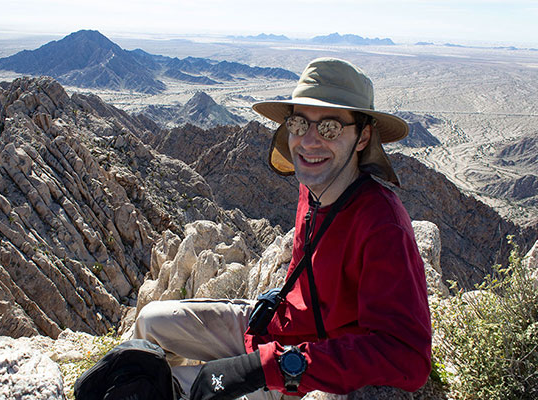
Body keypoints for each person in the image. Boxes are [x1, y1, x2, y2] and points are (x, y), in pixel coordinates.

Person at [135, 57, 432, 399]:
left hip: (307, 368)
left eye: (330, 128)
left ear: (363, 137)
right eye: (299, 123)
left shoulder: (382, 225)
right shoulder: (314, 188)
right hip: (274, 329)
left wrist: (272, 367)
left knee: (162, 392)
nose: (308, 141)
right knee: (152, 322)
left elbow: (408, 357)